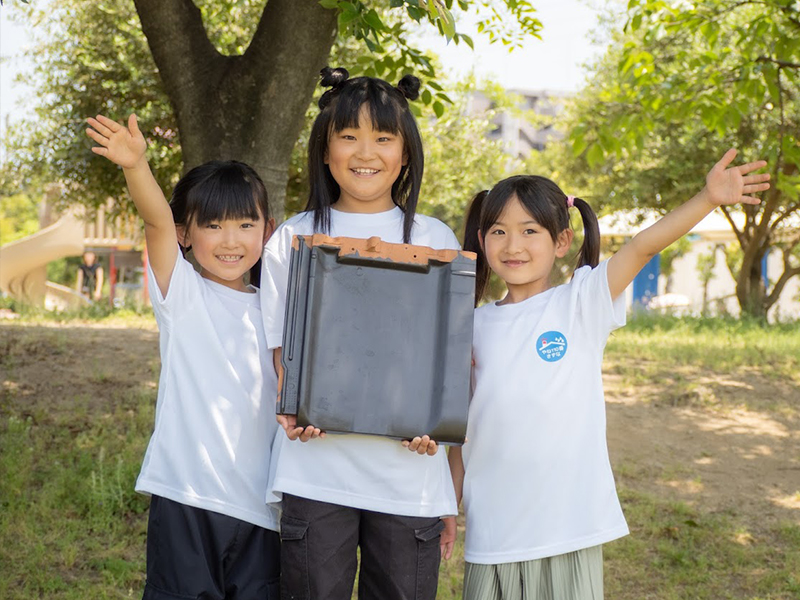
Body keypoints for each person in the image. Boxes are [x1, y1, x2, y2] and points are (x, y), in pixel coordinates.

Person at [450, 149, 770, 600]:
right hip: (493, 531)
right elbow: (458, 434)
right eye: (499, 231)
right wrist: (447, 505)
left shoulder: (580, 302)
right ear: (482, 240)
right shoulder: (471, 326)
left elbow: (642, 246)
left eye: (530, 230)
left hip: (568, 527)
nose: (513, 245)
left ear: (562, 241)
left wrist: (707, 198)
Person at [260, 67, 458, 600]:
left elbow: (445, 357)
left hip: (409, 475)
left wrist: (434, 424)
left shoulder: (435, 238)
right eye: (348, 136)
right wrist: (296, 407)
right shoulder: (294, 237)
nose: (365, 152)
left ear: (406, 153)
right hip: (314, 470)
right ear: (325, 151)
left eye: (383, 138)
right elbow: (282, 351)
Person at [85, 113, 280, 600]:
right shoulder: (183, 294)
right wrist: (136, 166)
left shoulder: (278, 310)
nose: (231, 240)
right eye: (213, 225)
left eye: (245, 224)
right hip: (187, 497)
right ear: (185, 235)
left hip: (263, 510)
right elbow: (155, 219)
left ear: (268, 231)